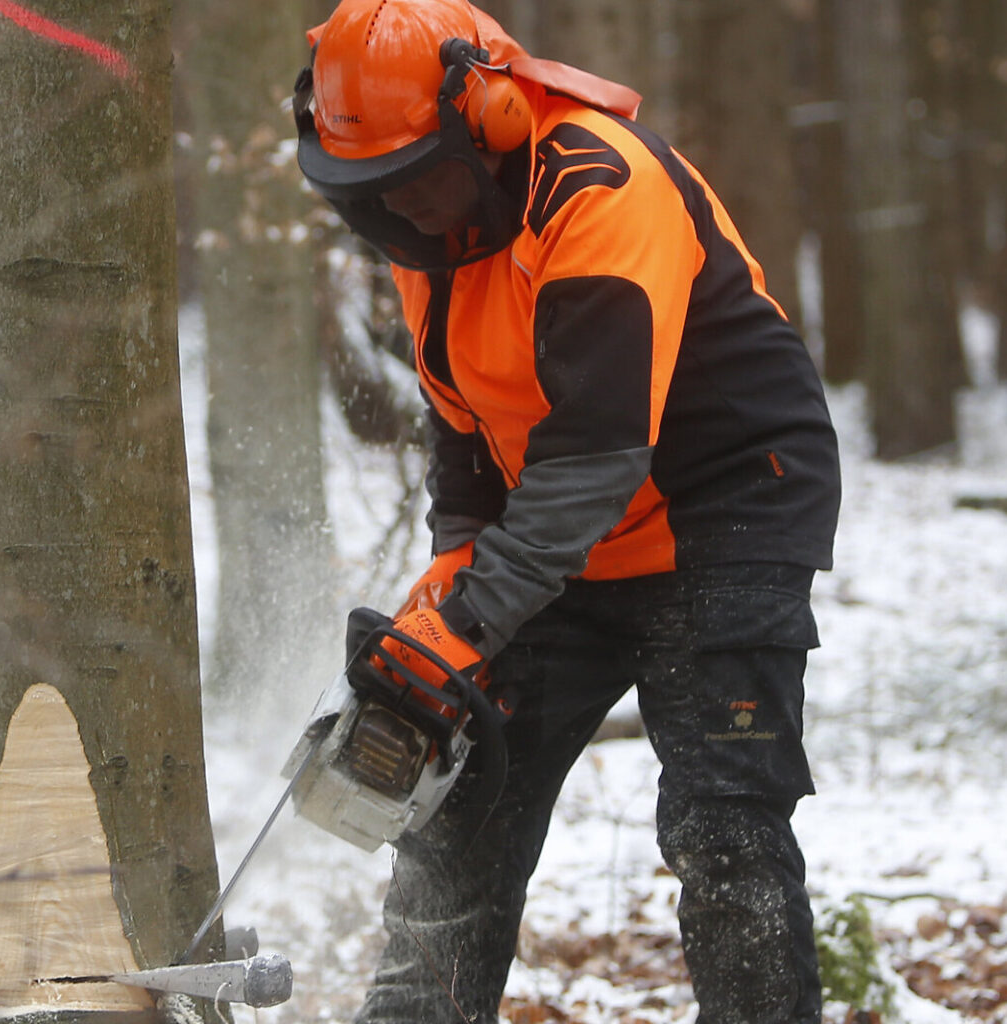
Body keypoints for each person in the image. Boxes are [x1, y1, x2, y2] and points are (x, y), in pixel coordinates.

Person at [291, 1, 842, 1022]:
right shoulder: (432, 244)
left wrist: (470, 619)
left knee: (723, 826)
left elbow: (595, 451)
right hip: (563, 535)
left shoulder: (599, 191)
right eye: (382, 189)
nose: (408, 208)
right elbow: (459, 427)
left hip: (724, 505)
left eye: (425, 176)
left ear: (492, 120)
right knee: (458, 815)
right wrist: (456, 573)